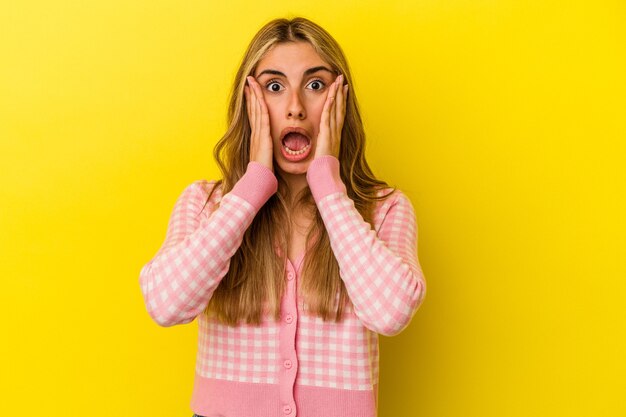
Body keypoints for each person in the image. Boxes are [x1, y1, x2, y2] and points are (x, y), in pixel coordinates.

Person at [139, 16, 427, 417]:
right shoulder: (206, 204)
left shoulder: (384, 208)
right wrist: (252, 187)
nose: (295, 108)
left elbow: (390, 313)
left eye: (315, 85)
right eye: (274, 87)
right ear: (250, 102)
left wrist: (328, 185)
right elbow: (166, 305)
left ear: (340, 99)